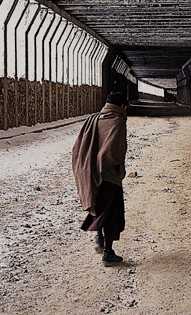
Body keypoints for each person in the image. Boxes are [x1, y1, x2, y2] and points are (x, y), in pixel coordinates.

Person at [72, 91, 127, 267]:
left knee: (100, 208)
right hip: (109, 176)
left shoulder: (94, 118)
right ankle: (108, 253)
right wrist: (118, 170)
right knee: (112, 214)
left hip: (92, 172)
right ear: (122, 106)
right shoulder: (117, 121)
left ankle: (99, 239)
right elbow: (113, 152)